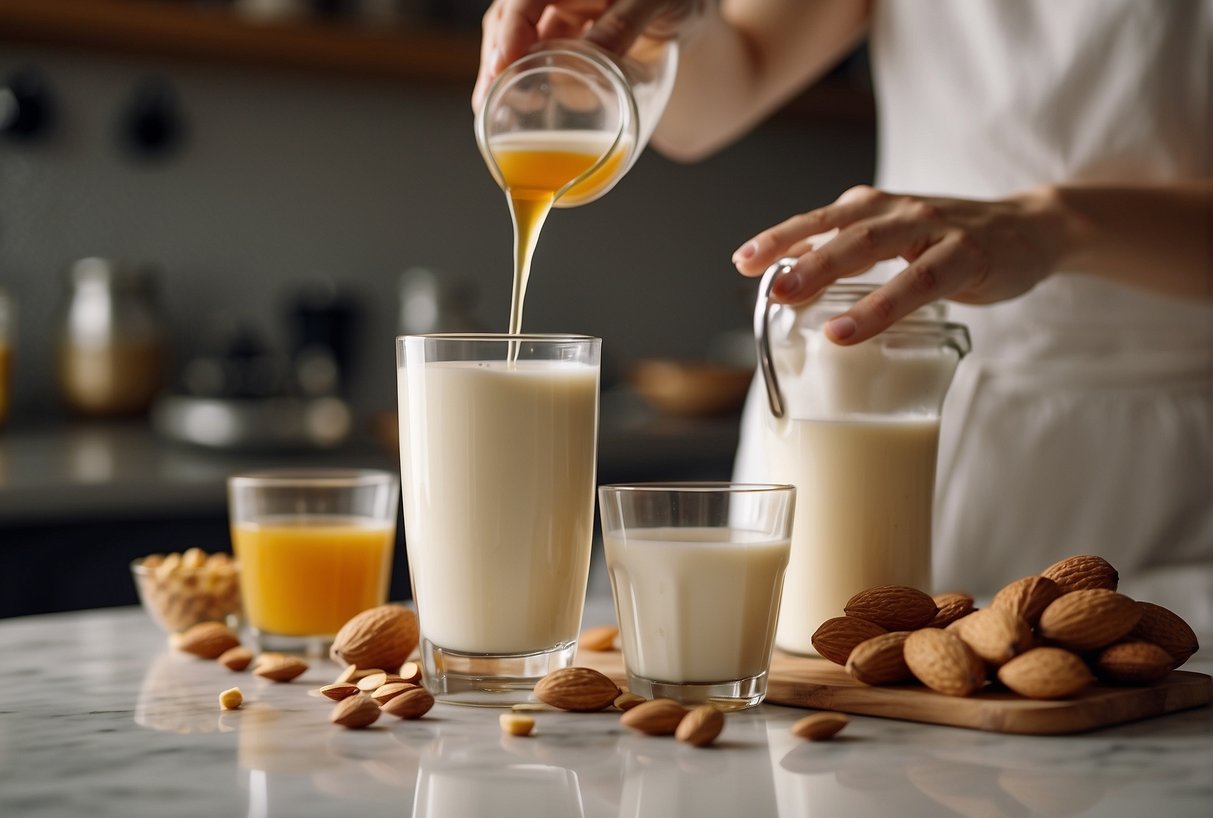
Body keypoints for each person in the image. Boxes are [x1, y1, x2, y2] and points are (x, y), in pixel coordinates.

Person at [475, 0, 1213, 628]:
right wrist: (672, 28)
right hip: (876, 381)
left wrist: (1051, 224)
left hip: (1161, 449)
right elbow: (714, 104)